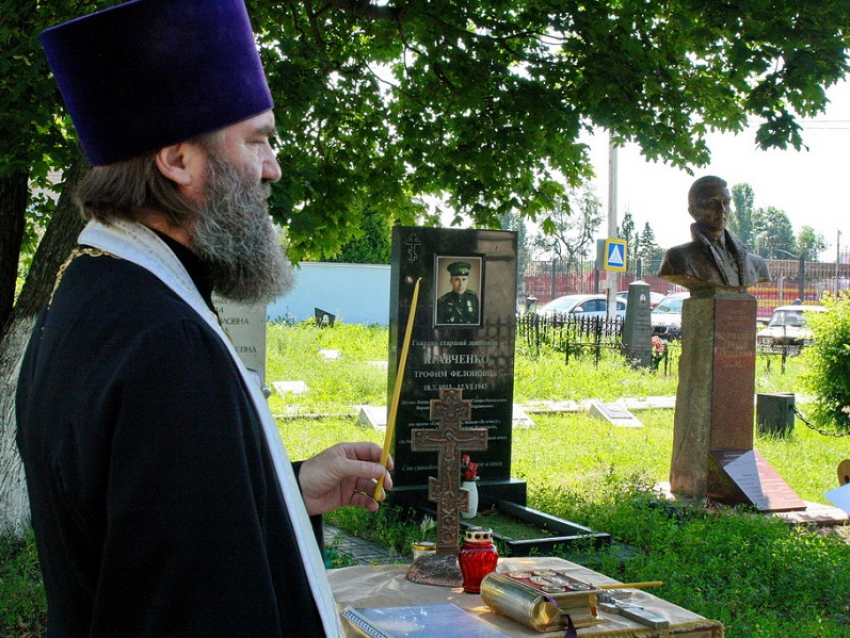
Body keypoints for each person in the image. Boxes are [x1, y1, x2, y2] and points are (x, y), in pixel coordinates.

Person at [16, 1, 391, 636]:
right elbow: (196, 607)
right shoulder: (167, 344)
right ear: (178, 161)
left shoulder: (91, 293)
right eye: (257, 139)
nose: (273, 166)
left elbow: (148, 520)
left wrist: (290, 489)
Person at [659, 176, 770, 292]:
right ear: (693, 211)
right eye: (712, 203)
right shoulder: (678, 258)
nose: (721, 209)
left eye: (726, 202)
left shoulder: (756, 264)